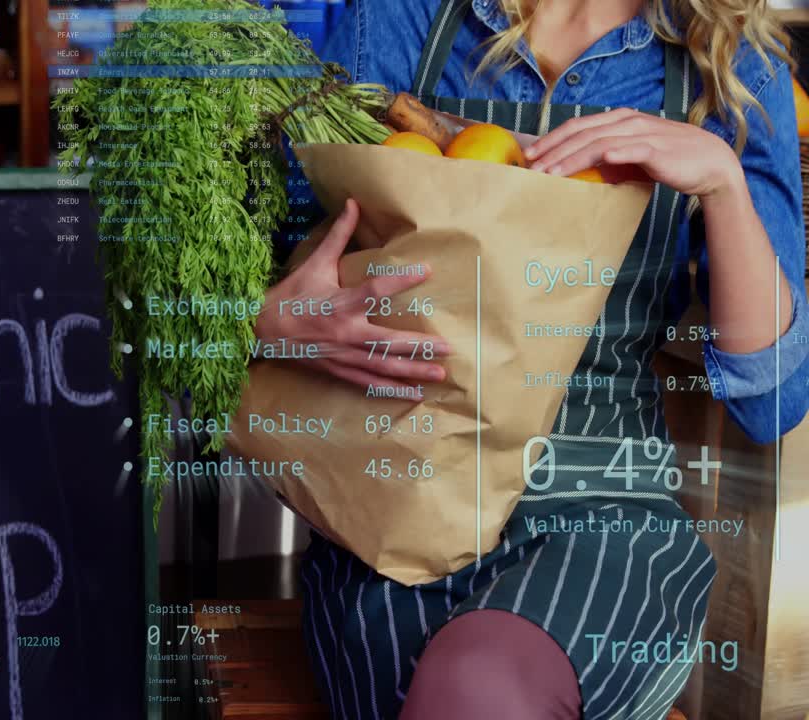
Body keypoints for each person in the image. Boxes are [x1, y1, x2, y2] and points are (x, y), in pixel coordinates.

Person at [254, 0, 809, 717]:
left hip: (601, 512)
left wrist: (723, 184)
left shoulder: (731, 69)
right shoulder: (400, 20)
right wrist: (273, 321)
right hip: (399, 505)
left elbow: (772, 402)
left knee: (478, 688)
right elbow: (251, 274)